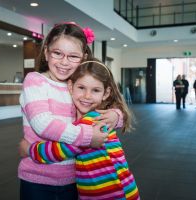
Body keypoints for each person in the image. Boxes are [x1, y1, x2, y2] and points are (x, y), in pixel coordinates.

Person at [18, 23, 123, 200]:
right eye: (57, 53)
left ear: (84, 57)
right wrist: (88, 137)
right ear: (46, 53)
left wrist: (115, 116)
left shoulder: (77, 85)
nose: (64, 62)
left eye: (73, 56)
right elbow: (43, 124)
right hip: (38, 179)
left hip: (75, 179)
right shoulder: (35, 81)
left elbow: (104, 108)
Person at [20, 59, 140, 200]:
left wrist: (30, 150)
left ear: (106, 93)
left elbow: (59, 150)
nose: (87, 96)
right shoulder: (96, 117)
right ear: (70, 87)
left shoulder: (93, 122)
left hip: (114, 194)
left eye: (95, 90)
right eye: (81, 88)